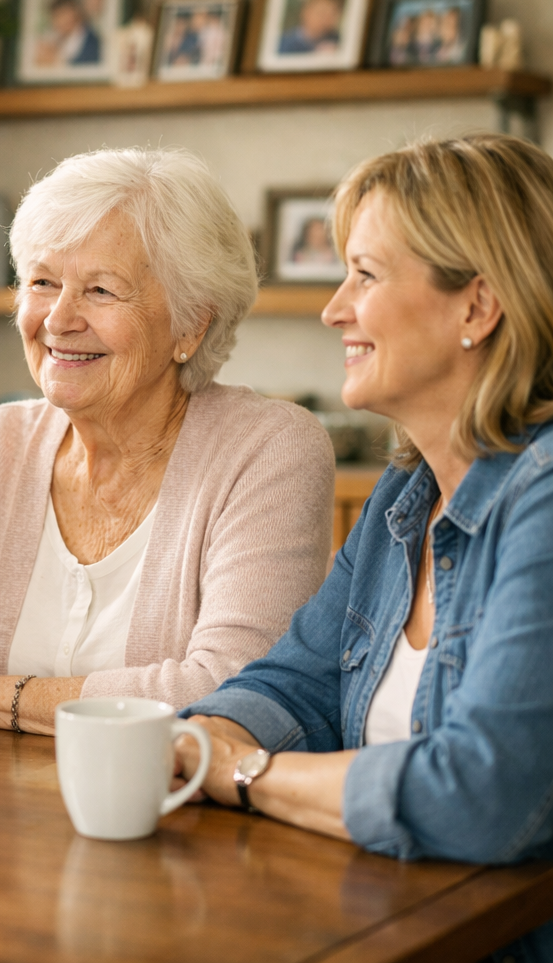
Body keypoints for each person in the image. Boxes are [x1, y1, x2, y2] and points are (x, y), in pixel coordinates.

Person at [174, 134, 553, 963]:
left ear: (476, 307)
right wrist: (199, 738)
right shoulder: (405, 498)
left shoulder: (546, 505)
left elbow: (481, 796)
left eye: (366, 275)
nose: (333, 307)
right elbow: (295, 684)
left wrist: (243, 776)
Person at [0, 147, 335, 735]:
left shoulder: (268, 450)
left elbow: (234, 687)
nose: (58, 320)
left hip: (173, 814)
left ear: (192, 323)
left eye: (101, 291)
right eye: (42, 282)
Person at [278, 0, 346, 55]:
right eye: (321, 13)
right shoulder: (282, 44)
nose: (325, 19)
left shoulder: (339, 41)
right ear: (305, 11)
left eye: (332, 14)